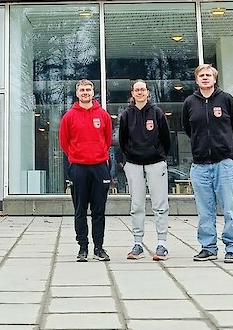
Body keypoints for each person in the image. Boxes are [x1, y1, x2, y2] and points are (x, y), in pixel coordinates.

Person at [181, 63, 233, 263]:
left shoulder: (226, 99)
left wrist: (225, 142)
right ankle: (208, 247)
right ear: (196, 80)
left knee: (229, 209)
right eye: (201, 75)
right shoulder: (190, 102)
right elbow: (188, 128)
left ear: (215, 79)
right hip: (200, 165)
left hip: (224, 164)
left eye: (208, 75)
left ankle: (232, 248)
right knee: (204, 210)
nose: (205, 78)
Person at [59, 79, 113, 262]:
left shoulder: (103, 115)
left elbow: (107, 140)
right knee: (80, 210)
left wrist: (97, 154)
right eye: (82, 90)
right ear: (77, 93)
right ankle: (83, 247)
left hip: (99, 167)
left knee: (99, 210)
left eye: (88, 89)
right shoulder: (69, 116)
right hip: (78, 168)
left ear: (93, 92)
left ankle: (99, 248)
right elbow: (64, 142)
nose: (85, 92)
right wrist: (77, 155)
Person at [118, 79, 172, 261]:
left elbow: (166, 138)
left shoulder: (157, 113)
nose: (140, 92)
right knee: (136, 205)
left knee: (160, 205)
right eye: (137, 90)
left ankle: (162, 243)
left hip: (156, 163)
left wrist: (159, 155)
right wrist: (129, 158)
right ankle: (138, 243)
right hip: (133, 164)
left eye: (143, 89)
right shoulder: (126, 115)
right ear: (132, 93)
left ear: (148, 92)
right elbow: (122, 140)